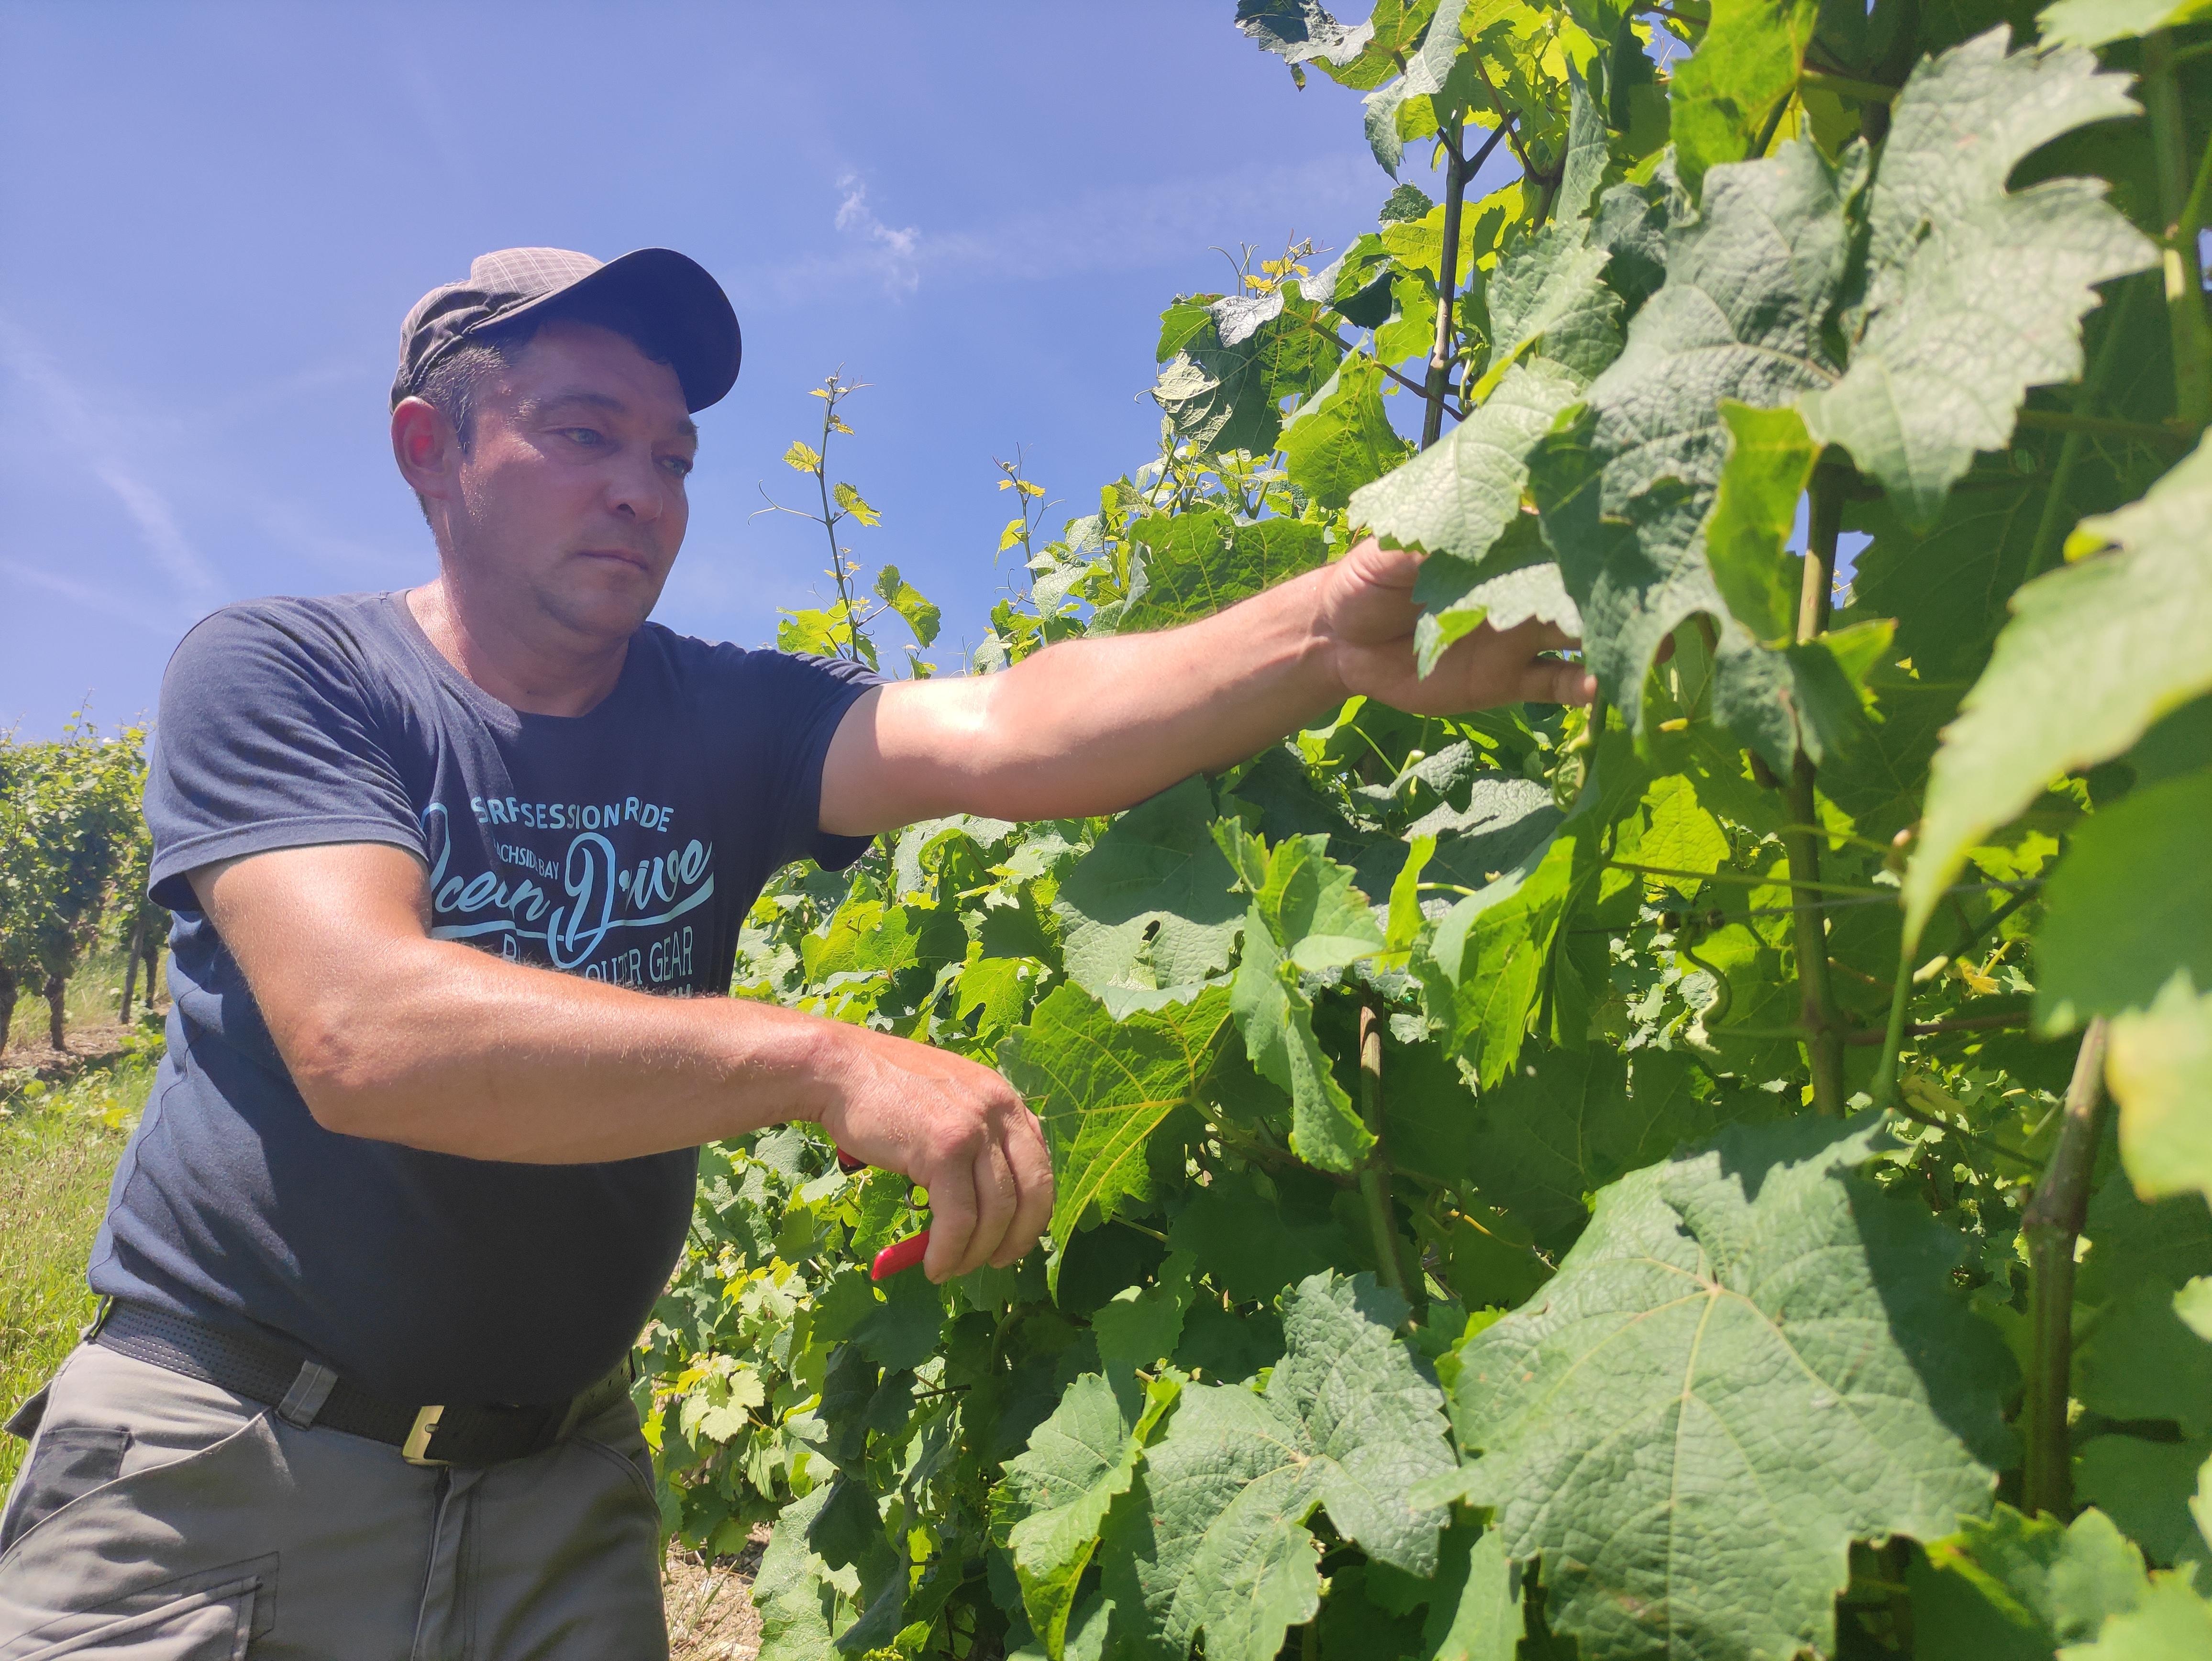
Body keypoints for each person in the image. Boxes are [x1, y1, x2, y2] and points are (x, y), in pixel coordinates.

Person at [0, 247, 1592, 1655]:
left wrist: (1321, 633)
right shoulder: (288, 674)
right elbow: (364, 1030)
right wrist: (814, 1059)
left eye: (674, 455)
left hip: (559, 1492)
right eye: (582, 434)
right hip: (226, 1468)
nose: (644, 488)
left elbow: (1008, 727)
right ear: (433, 448)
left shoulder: (725, 716)